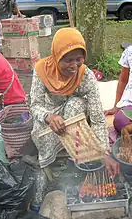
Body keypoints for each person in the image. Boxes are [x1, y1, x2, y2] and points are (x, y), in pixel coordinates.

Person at [30, 28, 119, 176]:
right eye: (68, 60)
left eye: (79, 59)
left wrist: (104, 152)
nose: (74, 65)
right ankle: (50, 164)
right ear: (56, 56)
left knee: (75, 103)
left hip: (75, 114)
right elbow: (34, 105)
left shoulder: (86, 76)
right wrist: (49, 117)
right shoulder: (41, 70)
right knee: (40, 131)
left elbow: (97, 118)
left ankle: (77, 153)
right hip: (51, 112)